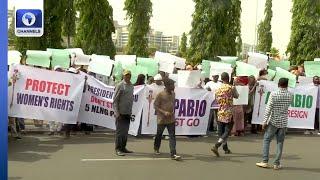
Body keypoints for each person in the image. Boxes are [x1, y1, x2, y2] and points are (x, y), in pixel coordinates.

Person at [256, 78, 292, 170]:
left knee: (267, 140)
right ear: (287, 85)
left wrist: (264, 121)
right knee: (280, 142)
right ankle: (276, 163)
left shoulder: (274, 94)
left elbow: (268, 109)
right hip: (283, 121)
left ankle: (265, 161)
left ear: (278, 84)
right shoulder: (290, 95)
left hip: (274, 121)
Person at [211, 72, 239, 156]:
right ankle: (217, 145)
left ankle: (225, 148)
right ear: (228, 78)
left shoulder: (218, 89)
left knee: (221, 131)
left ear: (221, 79)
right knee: (227, 130)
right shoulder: (231, 87)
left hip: (220, 111)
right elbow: (237, 96)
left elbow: (216, 99)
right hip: (228, 112)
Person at [154, 79, 181, 160]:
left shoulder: (173, 94)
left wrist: (172, 111)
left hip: (171, 119)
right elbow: (155, 106)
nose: (173, 86)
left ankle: (173, 153)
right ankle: (156, 148)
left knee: (172, 136)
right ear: (167, 86)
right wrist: (164, 112)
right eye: (172, 85)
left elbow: (172, 104)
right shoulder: (160, 94)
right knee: (159, 135)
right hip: (162, 119)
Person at [113, 70, 134, 156]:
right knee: (120, 132)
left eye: (129, 75)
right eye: (126, 75)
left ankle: (123, 147)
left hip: (127, 112)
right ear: (123, 76)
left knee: (125, 132)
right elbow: (115, 100)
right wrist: (117, 113)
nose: (127, 77)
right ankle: (118, 149)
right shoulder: (120, 85)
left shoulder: (131, 86)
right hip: (120, 113)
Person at [48, 66, 64, 136]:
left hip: (61, 99)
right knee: (50, 116)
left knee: (60, 116)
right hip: (52, 99)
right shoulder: (51, 78)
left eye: (60, 70)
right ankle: (52, 130)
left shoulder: (65, 79)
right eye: (57, 70)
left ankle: (58, 129)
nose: (58, 72)